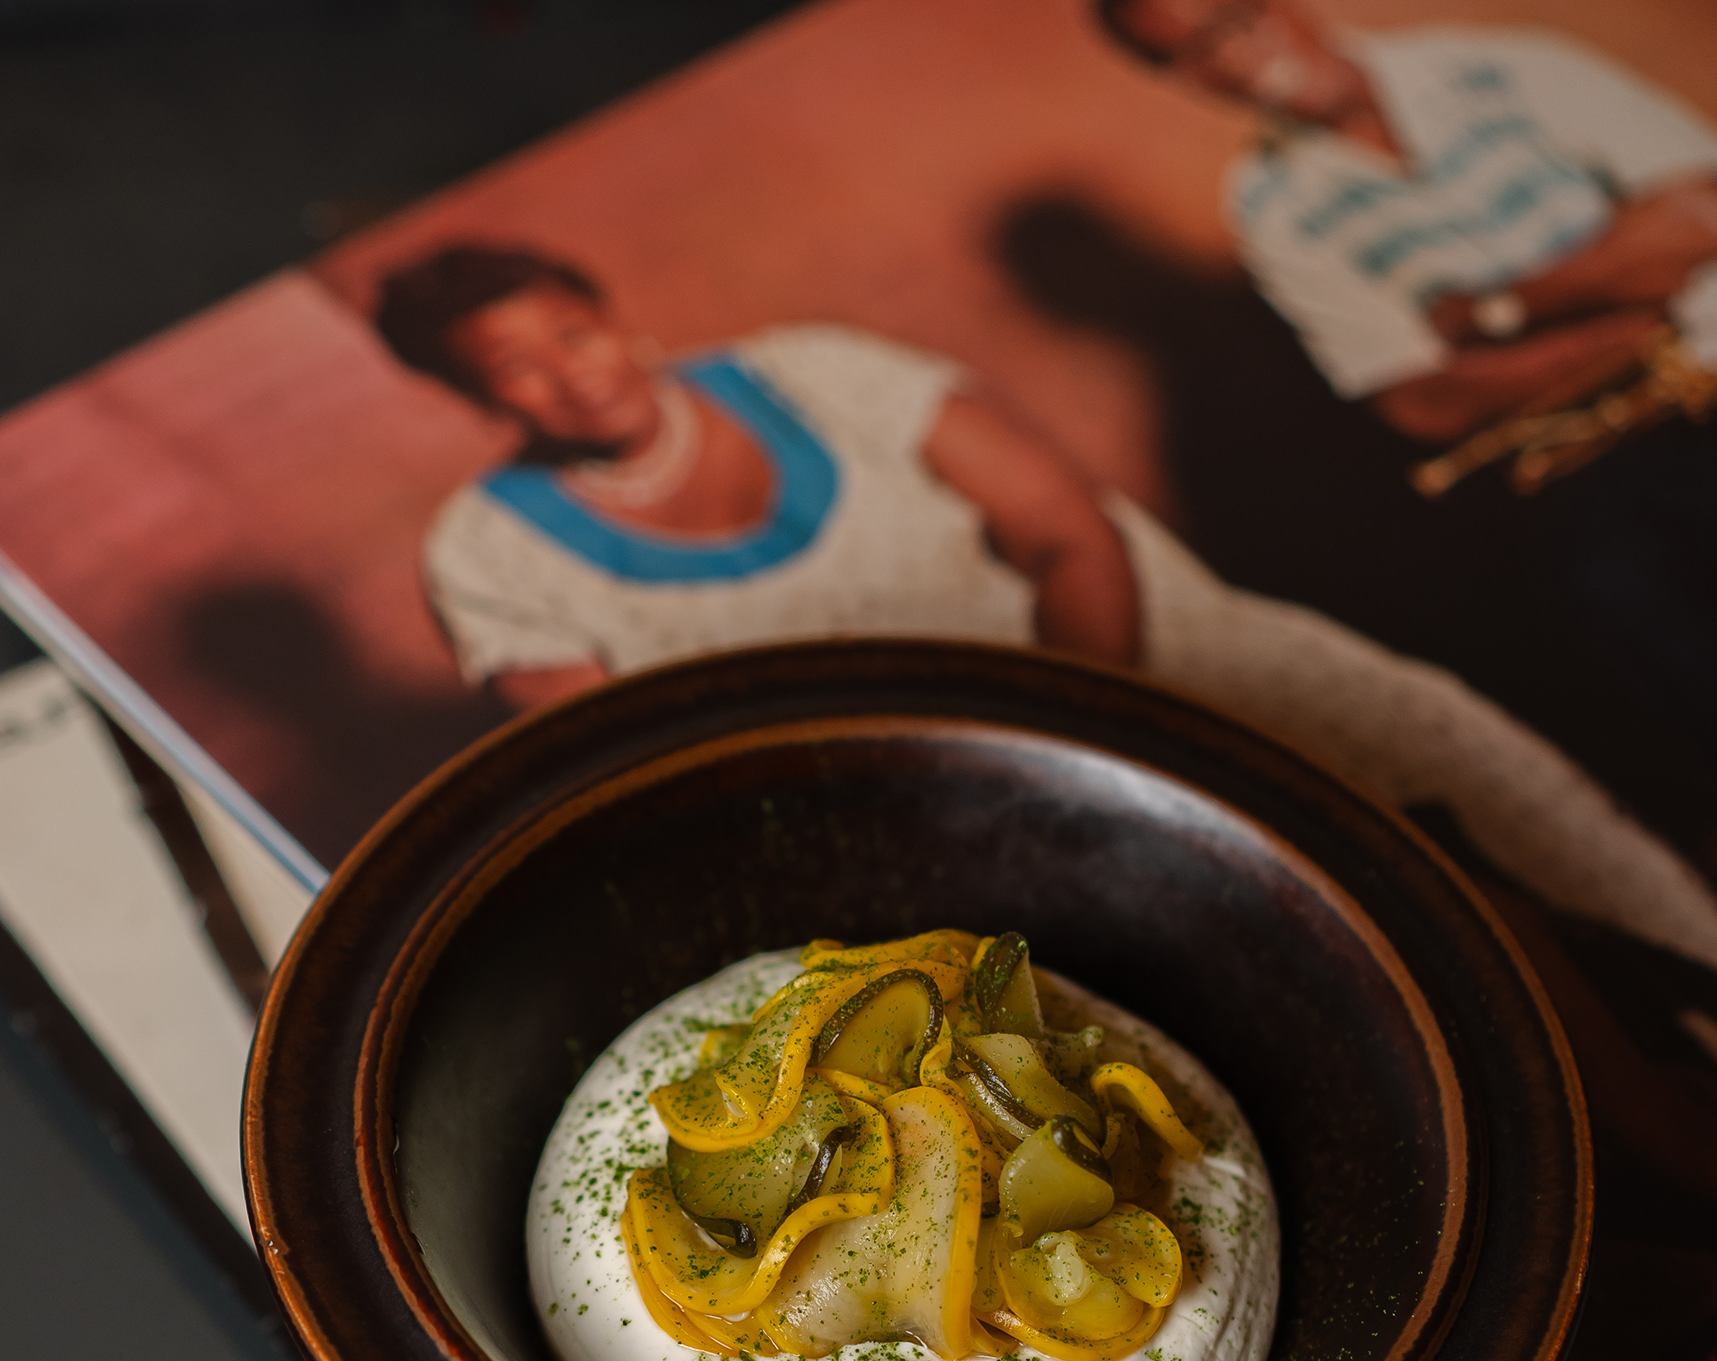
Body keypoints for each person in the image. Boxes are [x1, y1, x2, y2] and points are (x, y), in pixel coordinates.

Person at [371, 242, 1717, 982]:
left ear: (613, 315)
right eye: (516, 369)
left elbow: (1066, 532)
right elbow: (623, 769)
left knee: (1493, 790)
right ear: (472, 396)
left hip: (1157, 672)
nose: (568, 378)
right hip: (926, 826)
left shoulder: (818, 373)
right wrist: (978, 826)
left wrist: (1093, 737)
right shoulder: (488, 549)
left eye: (571, 334)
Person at [1091, 0, 1717, 772]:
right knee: (1635, 617)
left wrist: (1494, 312)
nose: (1236, 57)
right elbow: (1421, 403)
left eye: (1236, 17)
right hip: (1592, 481)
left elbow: (1704, 214)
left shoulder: (1498, 66)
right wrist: (1639, 302)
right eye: (1192, 52)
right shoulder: (1273, 209)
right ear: (1178, 77)